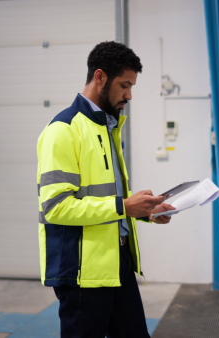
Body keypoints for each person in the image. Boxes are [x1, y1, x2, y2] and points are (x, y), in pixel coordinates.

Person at [36, 41, 175, 338]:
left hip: (117, 264)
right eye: (124, 85)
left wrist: (144, 211)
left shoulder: (108, 127)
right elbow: (56, 207)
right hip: (82, 274)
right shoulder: (63, 130)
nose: (129, 95)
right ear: (100, 77)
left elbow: (104, 198)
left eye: (132, 86)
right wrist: (125, 207)